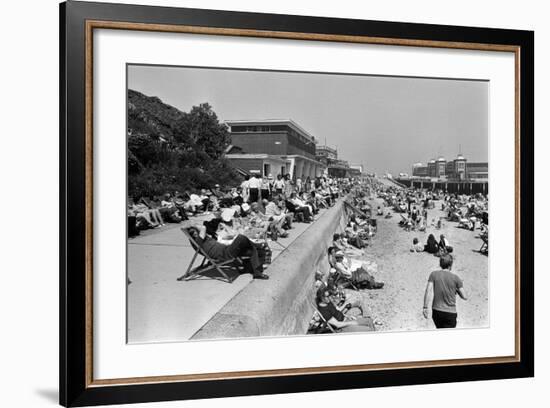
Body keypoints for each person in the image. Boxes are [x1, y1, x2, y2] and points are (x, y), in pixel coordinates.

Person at [186, 225, 269, 279]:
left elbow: (204, 229)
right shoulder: (198, 241)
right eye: (192, 234)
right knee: (241, 238)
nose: (195, 234)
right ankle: (257, 245)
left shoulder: (205, 238)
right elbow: (203, 227)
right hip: (225, 254)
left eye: (195, 232)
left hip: (228, 249)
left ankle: (256, 272)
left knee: (252, 250)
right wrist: (193, 224)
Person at [422, 254, 467, 328]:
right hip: (450, 313)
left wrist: (425, 307)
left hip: (436, 311)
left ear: (440, 264)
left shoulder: (433, 274)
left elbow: (428, 290)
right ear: (450, 265)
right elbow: (465, 297)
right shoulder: (456, 278)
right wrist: (456, 290)